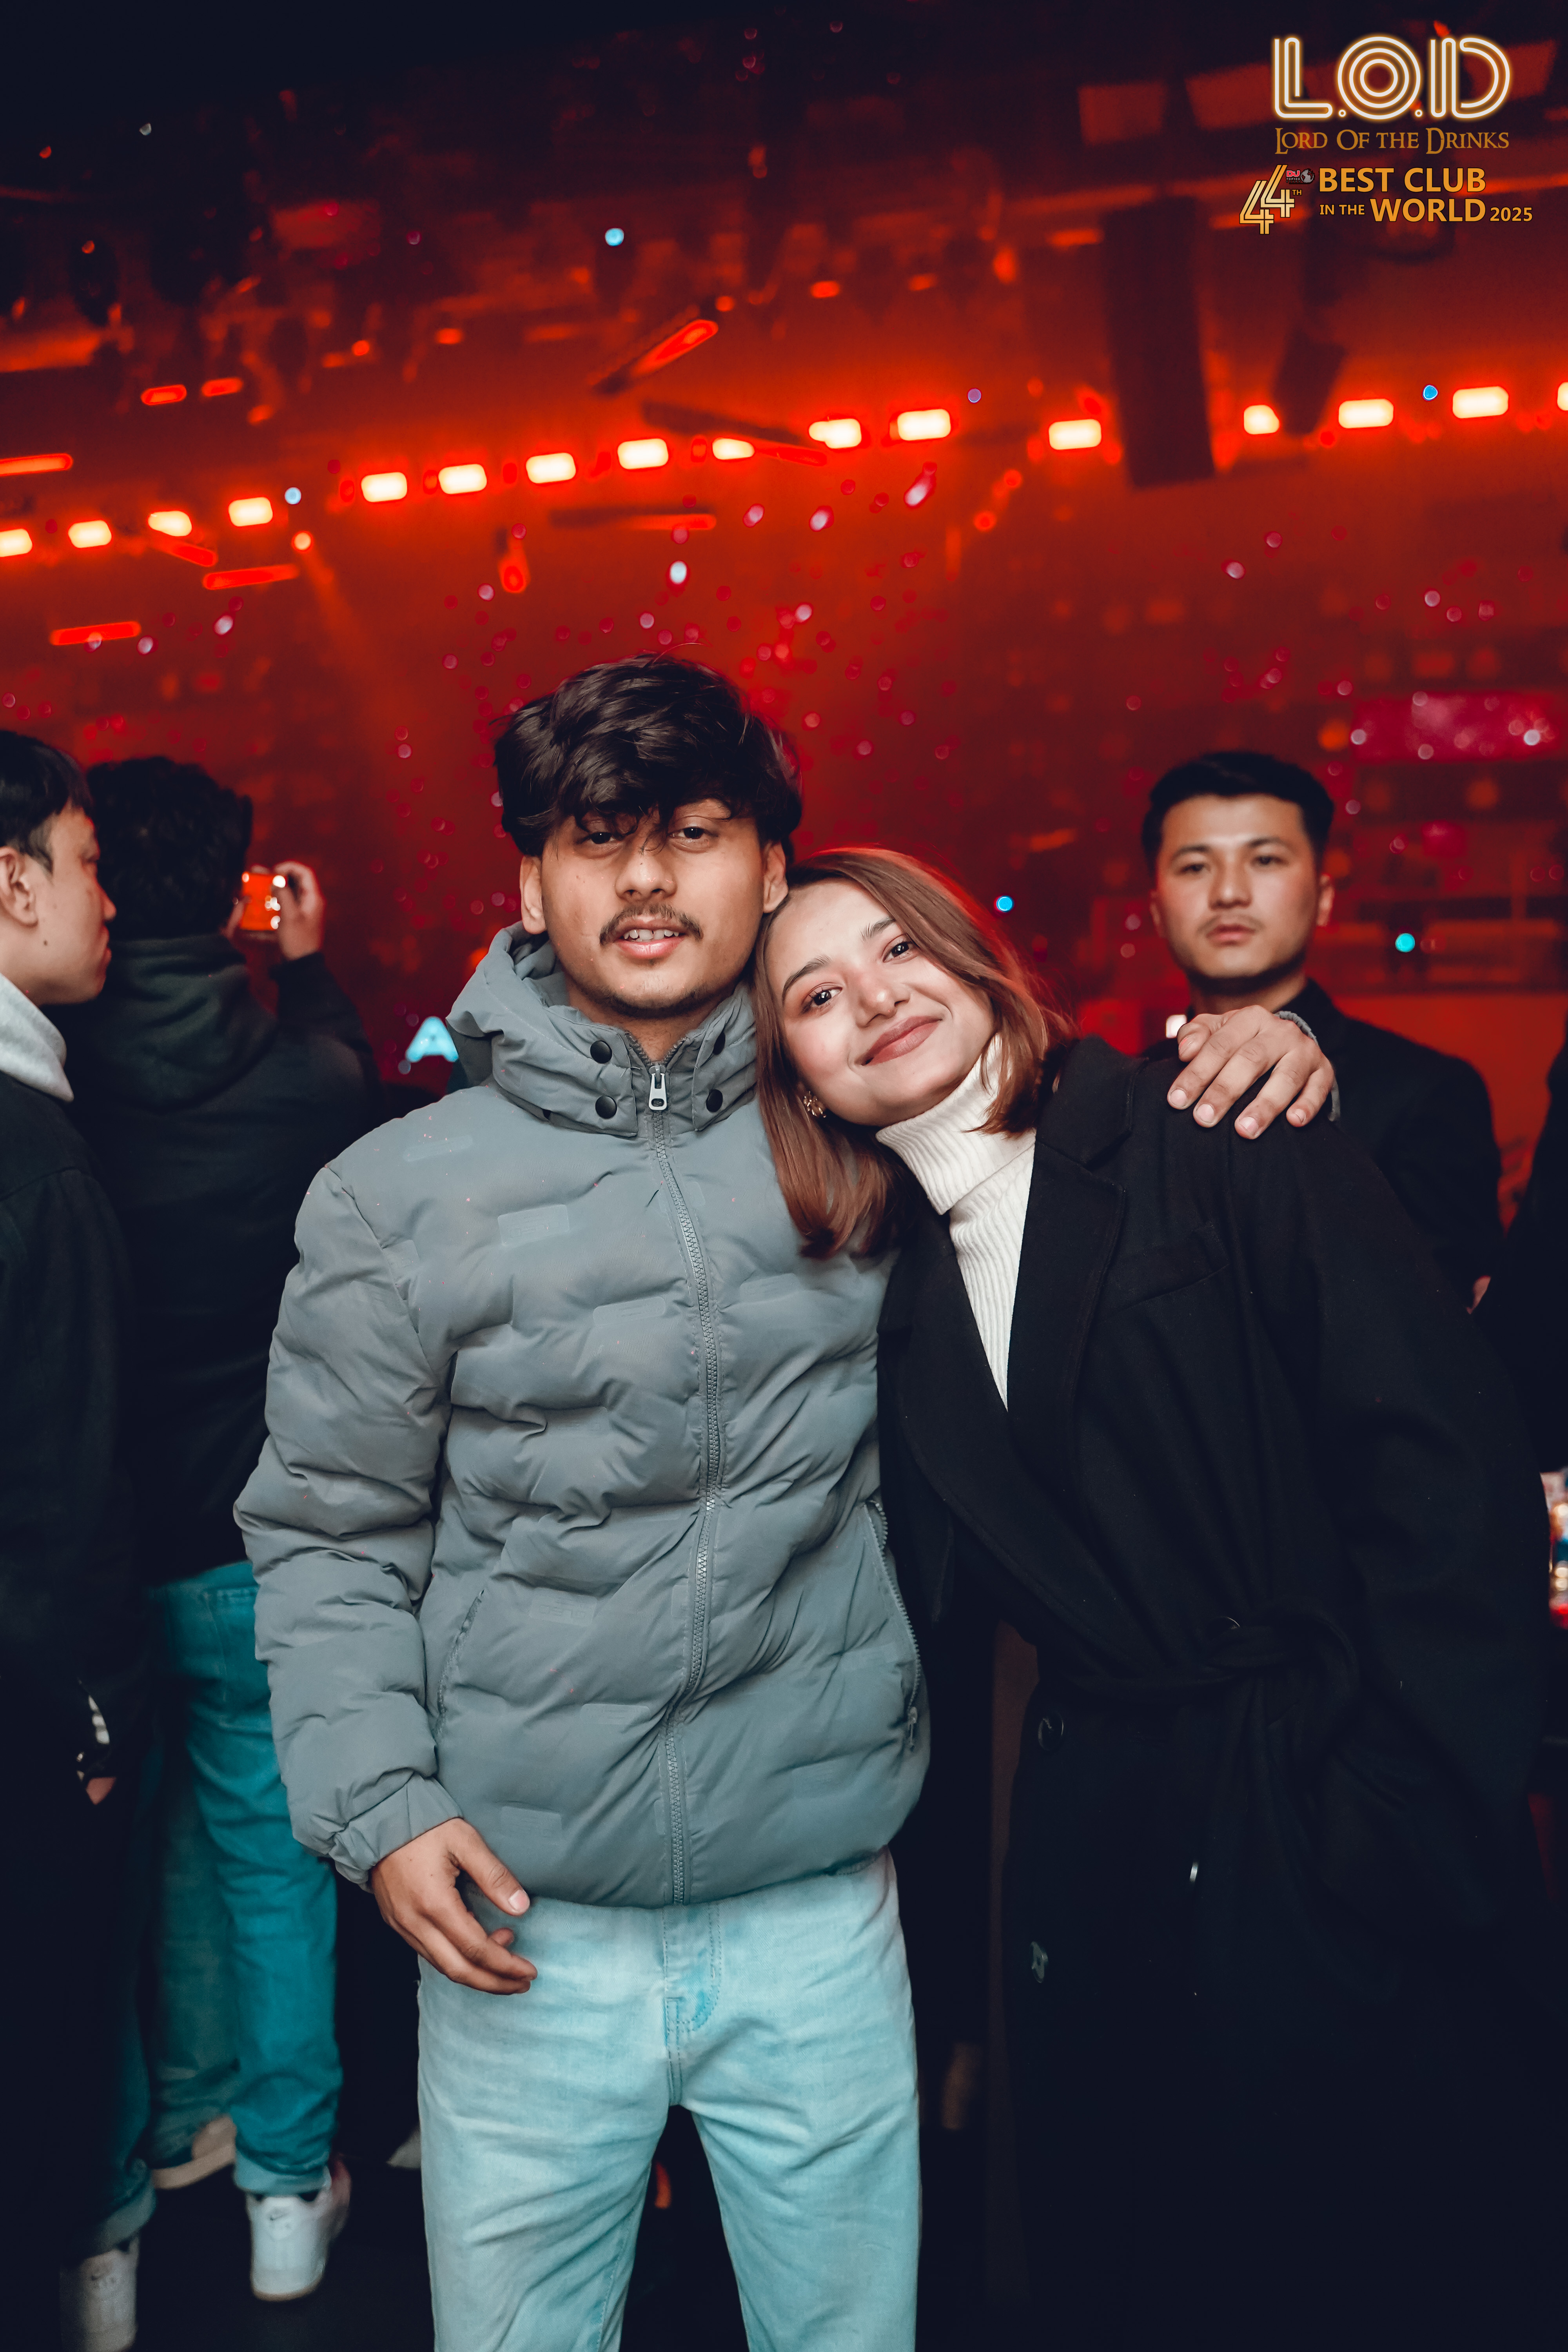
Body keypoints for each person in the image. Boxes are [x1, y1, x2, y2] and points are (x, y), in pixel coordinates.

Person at [234, 656, 1332, 2352]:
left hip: (820, 1902)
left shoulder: (870, 1128)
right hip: (522, 1918)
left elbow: (1081, 1137)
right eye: (596, 839)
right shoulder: (392, 1193)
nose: (646, 878)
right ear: (529, 883)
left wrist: (1265, 1040)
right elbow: (330, 1531)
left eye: (691, 832)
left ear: (769, 867)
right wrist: (378, 1803)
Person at [754, 845, 1555, 2352]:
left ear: (975, 961)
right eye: (815, 994)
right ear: (797, 1078)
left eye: (899, 947)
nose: (873, 998)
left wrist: (1404, 1827)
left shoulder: (1213, 1118)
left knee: (1379, 2270)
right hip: (1103, 1861)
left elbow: (1449, 1484)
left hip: (1328, 1819)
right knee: (1163, 2274)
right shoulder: (898, 1295)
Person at [56, 758, 381, 2325]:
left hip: (101, 1563)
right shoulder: (304, 1076)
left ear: (99, 884)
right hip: (261, 1546)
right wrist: (305, 962)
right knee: (270, 1869)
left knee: (104, 1893)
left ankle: (107, 2233)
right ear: (238, 886)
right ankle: (284, 2200)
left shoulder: (49, 1081)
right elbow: (361, 1081)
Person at [0, 735, 148, 2352]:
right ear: (11, 883)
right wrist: (97, 1722)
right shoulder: (33, 1157)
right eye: (87, 863)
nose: (105, 901)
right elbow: (59, 1478)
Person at [1143, 749, 1503, 1299]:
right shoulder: (1126, 1093)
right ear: (1156, 911)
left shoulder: (1427, 1092)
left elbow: (1444, 1318)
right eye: (1195, 867)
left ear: (1324, 899)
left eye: (1266, 860)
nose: (1229, 893)